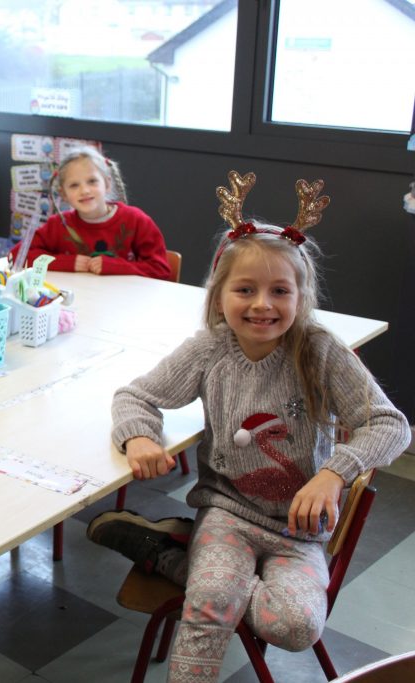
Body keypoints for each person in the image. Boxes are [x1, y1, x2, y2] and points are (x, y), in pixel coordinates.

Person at [87, 171, 410, 683]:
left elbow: (390, 424)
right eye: (245, 289)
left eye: (280, 290)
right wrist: (139, 435)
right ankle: (202, 576)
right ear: (219, 296)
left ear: (301, 297)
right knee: (209, 608)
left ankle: (167, 558)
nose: (262, 304)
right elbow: (135, 395)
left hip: (299, 531)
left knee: (296, 626)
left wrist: (334, 474)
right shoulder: (208, 350)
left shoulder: (320, 352)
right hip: (227, 513)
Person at [9, 145, 171, 279]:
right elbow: (17, 256)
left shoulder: (136, 220)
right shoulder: (58, 225)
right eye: (74, 185)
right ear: (64, 194)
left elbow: (160, 270)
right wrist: (68, 263)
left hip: (124, 302)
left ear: (107, 184)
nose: (84, 190)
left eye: (92, 181)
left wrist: (114, 266)